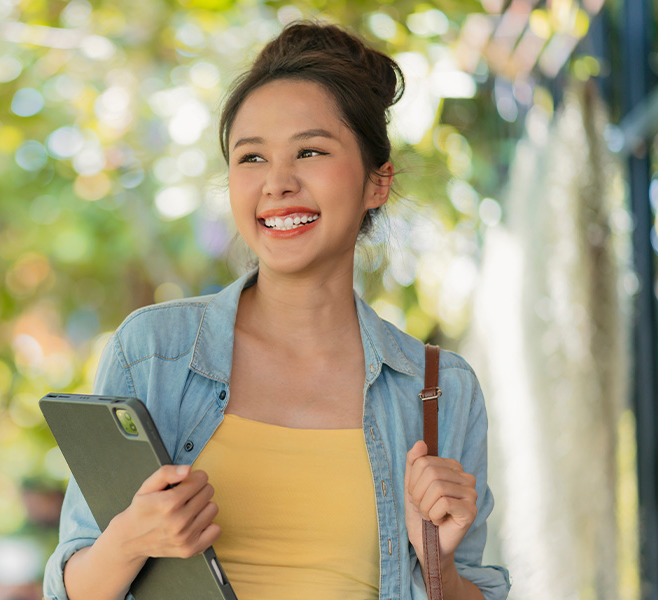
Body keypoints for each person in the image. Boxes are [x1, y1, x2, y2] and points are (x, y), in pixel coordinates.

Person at [42, 20, 511, 600]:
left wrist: (437, 564)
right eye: (252, 158)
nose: (277, 183)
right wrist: (131, 541)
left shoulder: (439, 389)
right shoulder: (154, 351)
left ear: (377, 181)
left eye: (310, 151)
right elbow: (71, 586)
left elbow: (472, 589)